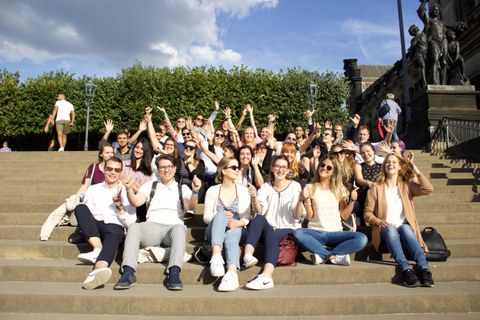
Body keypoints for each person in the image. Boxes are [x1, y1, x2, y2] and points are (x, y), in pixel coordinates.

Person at [114, 155, 201, 291]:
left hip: (172, 229)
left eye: (169, 167)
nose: (166, 170)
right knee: (134, 227)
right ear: (158, 170)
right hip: (152, 227)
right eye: (162, 167)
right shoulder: (150, 185)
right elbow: (136, 202)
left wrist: (195, 191)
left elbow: (190, 206)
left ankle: (174, 272)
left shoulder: (182, 188)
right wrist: (130, 189)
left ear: (175, 168)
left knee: (180, 228)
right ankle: (128, 272)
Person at [364, 153, 434, 288]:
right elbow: (367, 213)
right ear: (384, 167)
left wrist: (416, 171)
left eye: (394, 162)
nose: (391, 164)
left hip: (403, 227)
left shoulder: (406, 186)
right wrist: (378, 221)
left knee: (407, 229)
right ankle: (406, 269)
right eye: (388, 162)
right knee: (391, 230)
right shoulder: (376, 188)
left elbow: (428, 189)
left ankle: (424, 268)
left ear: (400, 167)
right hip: (384, 229)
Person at [74, 157, 136, 289]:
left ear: (121, 172)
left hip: (114, 225)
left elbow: (131, 223)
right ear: (104, 170)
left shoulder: (126, 191)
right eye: (109, 169)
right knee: (80, 208)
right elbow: (85, 215)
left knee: (113, 236)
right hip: (94, 226)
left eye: (117, 170)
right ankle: (97, 248)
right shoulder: (93, 189)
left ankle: (97, 271)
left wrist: (120, 207)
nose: (113, 172)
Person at [293, 155, 367, 266]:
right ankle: (332, 257)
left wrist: (352, 201)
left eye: (329, 168)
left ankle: (324, 255)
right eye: (322, 165)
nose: (324, 168)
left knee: (362, 238)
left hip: (336, 233)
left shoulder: (339, 189)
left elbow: (344, 216)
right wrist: (305, 200)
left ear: (333, 172)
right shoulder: (310, 187)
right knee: (298, 233)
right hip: (316, 232)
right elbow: (309, 217)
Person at [244, 155, 303, 290]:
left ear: (288, 170)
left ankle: (267, 277)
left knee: (272, 235)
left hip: (288, 229)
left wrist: (300, 200)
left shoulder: (295, 186)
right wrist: (254, 197)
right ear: (271, 168)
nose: (280, 170)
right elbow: (260, 211)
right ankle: (248, 255)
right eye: (277, 166)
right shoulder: (266, 187)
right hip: (270, 228)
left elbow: (297, 216)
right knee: (258, 219)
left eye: (284, 167)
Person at [40, 144, 116, 241]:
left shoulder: (116, 170)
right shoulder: (93, 168)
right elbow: (84, 186)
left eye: (112, 152)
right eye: (107, 152)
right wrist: (75, 197)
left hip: (107, 203)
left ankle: (85, 234)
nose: (110, 154)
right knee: (73, 219)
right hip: (92, 201)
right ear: (101, 154)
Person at [203, 157, 252, 291]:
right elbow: (206, 217)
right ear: (223, 171)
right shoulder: (213, 190)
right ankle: (217, 257)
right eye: (234, 167)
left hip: (236, 229)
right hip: (214, 230)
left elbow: (246, 217)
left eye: (238, 168)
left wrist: (237, 223)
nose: (238, 170)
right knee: (220, 214)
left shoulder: (242, 190)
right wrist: (222, 217)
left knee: (232, 233)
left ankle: (231, 273)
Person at [122, 138, 155, 222]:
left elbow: (147, 189)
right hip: (123, 198)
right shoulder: (124, 164)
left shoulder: (149, 170)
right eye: (137, 147)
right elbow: (120, 180)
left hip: (139, 202)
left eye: (142, 149)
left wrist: (138, 190)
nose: (138, 150)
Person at [418, 0, 448, 85]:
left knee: (444, 63)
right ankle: (434, 82)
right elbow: (421, 13)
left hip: (443, 42)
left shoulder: (442, 23)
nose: (436, 10)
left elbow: (449, 31)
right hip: (434, 41)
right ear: (431, 11)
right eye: (434, 9)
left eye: (438, 9)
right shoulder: (429, 21)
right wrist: (423, 2)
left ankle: (443, 83)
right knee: (434, 60)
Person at [354, 142, 383, 226]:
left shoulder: (381, 165)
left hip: (379, 193)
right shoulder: (358, 165)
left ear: (374, 152)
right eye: (362, 153)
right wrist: (368, 183)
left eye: (368, 151)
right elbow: (359, 179)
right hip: (364, 193)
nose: (366, 154)